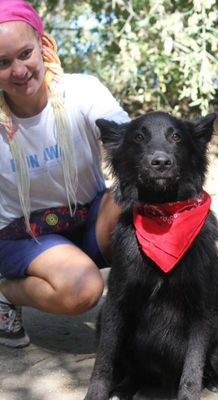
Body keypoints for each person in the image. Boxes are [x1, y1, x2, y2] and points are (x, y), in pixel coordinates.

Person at [0, 0, 130, 347]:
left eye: (25, 53)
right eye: (2, 63)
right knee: (83, 290)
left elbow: (131, 143)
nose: (19, 70)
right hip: (24, 235)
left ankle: (148, 315)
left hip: (88, 218)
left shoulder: (82, 91)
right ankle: (6, 291)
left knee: (138, 198)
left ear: (44, 46)